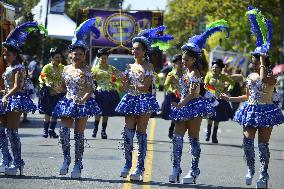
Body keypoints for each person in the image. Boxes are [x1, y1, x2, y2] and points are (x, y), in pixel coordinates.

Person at [221, 7, 284, 188]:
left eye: (254, 61)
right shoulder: (250, 76)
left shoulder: (272, 76)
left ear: (262, 62)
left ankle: (263, 174)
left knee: (263, 146)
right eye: (253, 61)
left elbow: (264, 79)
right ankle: (251, 168)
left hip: (266, 111)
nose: (252, 63)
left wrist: (263, 61)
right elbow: (247, 96)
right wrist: (230, 99)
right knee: (247, 142)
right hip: (250, 110)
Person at [169, 20, 229, 184]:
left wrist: (180, 103)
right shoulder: (186, 72)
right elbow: (183, 91)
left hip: (193, 106)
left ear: (194, 60)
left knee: (193, 138)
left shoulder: (195, 73)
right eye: (182, 59)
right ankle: (175, 168)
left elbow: (192, 93)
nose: (183, 62)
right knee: (177, 137)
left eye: (186, 59)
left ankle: (193, 170)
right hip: (183, 105)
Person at [116, 26, 173, 181]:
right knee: (128, 133)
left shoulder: (149, 66)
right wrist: (120, 81)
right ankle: (128, 164)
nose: (134, 52)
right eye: (133, 49)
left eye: (138, 49)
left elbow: (145, 87)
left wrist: (128, 85)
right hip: (130, 99)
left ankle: (139, 167)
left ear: (144, 51)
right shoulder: (129, 66)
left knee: (141, 134)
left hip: (144, 100)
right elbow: (122, 87)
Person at [53, 18, 101, 179]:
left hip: (83, 103)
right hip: (68, 101)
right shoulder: (65, 69)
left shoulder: (87, 70)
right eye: (76, 54)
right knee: (64, 132)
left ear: (84, 55)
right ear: (70, 55)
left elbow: (90, 87)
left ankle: (77, 164)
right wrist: (53, 87)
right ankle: (66, 159)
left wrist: (84, 98)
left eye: (81, 54)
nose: (78, 56)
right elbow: (62, 87)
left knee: (79, 136)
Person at [0, 22, 45, 175]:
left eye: (8, 54)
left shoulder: (19, 68)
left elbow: (18, 86)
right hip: (6, 99)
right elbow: (9, 86)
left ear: (15, 54)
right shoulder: (8, 67)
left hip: (15, 100)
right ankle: (5, 159)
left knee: (12, 132)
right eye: (4, 54)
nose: (6, 56)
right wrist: (3, 92)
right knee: (1, 131)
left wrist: (6, 95)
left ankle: (17, 162)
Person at [91, 48, 122, 139]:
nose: (104, 60)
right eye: (102, 58)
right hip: (99, 92)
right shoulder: (95, 69)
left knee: (106, 112)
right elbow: (90, 80)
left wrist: (116, 83)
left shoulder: (111, 68)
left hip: (109, 92)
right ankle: (95, 128)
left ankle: (103, 130)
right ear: (99, 59)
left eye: (105, 58)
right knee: (99, 111)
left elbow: (120, 76)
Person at [204, 59, 235, 143]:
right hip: (210, 99)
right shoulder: (208, 75)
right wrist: (213, 90)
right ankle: (208, 133)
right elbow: (205, 85)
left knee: (217, 118)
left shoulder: (223, 77)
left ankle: (214, 136)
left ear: (220, 69)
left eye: (216, 67)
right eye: (213, 67)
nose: (214, 69)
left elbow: (232, 83)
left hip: (220, 100)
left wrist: (227, 90)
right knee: (210, 117)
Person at [38, 48, 66, 138]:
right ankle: (45, 130)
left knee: (55, 112)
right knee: (47, 112)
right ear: (51, 58)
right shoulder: (47, 67)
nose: (58, 59)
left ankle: (51, 130)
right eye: (56, 57)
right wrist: (46, 82)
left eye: (59, 57)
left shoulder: (63, 67)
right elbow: (42, 76)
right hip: (49, 92)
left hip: (60, 92)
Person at [161, 54, 183, 139]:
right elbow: (166, 86)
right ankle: (172, 129)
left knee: (181, 116)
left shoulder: (185, 74)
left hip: (183, 97)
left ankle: (176, 130)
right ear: (174, 64)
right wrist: (172, 90)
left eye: (182, 63)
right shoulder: (171, 74)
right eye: (179, 63)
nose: (181, 64)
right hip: (174, 97)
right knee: (176, 114)